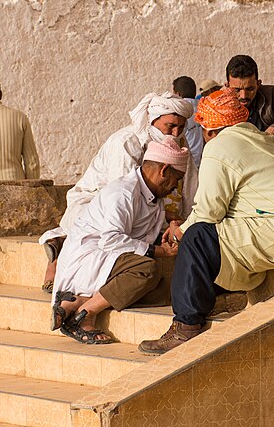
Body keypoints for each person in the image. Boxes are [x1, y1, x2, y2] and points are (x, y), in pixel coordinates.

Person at [138, 89, 274, 355]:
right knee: (217, 237)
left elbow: (208, 212)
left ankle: (185, 326)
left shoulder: (219, 146)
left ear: (208, 129)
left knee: (197, 237)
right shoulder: (262, 139)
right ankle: (222, 297)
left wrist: (178, 232)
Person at [38, 92, 195, 292]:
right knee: (108, 232)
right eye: (170, 126)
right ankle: (57, 265)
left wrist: (183, 220)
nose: (175, 133)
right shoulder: (127, 142)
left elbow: (188, 186)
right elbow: (120, 195)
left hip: (142, 205)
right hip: (95, 200)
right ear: (153, 119)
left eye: (181, 127)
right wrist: (165, 221)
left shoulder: (178, 145)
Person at [51, 138, 189, 345]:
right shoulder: (123, 193)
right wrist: (159, 251)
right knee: (147, 269)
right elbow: (111, 239)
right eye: (176, 179)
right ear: (164, 170)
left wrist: (170, 226)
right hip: (91, 256)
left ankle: (77, 300)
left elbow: (141, 227)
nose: (176, 188)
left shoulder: (151, 194)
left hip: (113, 256)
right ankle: (85, 314)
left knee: (164, 290)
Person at [224, 55, 274, 138]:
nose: (243, 96)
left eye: (250, 89)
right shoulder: (217, 106)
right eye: (237, 90)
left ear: (258, 84)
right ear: (227, 86)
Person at [173, 76, 204, 167]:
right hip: (203, 160)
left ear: (178, 94)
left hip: (187, 162)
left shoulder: (178, 112)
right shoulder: (204, 107)